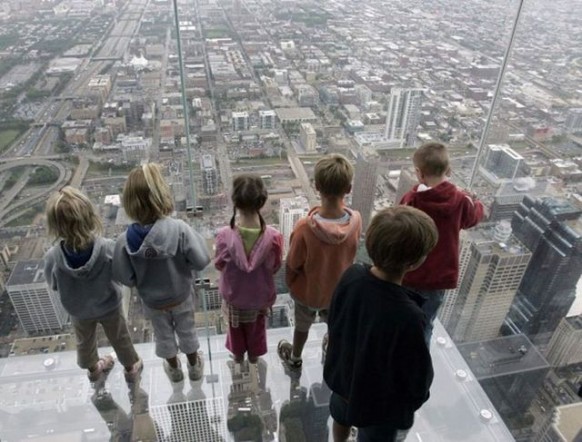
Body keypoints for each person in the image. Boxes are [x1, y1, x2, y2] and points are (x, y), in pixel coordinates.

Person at [324, 206, 438, 442]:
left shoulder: (352, 275)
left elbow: (334, 319)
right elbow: (417, 375)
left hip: (343, 382)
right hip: (379, 405)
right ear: (414, 262)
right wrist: (412, 403)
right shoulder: (409, 316)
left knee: (340, 418)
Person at [113, 163, 210, 383]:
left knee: (163, 336)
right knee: (187, 331)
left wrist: (140, 279)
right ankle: (194, 366)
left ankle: (174, 370)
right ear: (161, 195)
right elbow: (202, 259)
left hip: (152, 301)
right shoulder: (179, 229)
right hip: (181, 295)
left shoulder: (124, 241)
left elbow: (124, 276)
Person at [44, 187, 142, 383]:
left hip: (78, 310)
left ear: (55, 226)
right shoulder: (107, 248)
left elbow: (53, 284)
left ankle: (93, 370)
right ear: (90, 217)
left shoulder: (53, 257)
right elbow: (123, 275)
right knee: (119, 337)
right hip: (109, 305)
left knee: (84, 342)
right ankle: (131, 368)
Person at [278, 154, 362, 369]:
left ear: (316, 187)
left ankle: (295, 357)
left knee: (302, 326)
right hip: (338, 292)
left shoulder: (305, 227)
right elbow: (353, 252)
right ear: (349, 189)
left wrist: (292, 283)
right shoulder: (356, 221)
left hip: (307, 292)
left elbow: (293, 262)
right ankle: (331, 349)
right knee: (334, 325)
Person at [400, 142, 484, 343]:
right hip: (439, 278)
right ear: (449, 170)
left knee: (402, 320)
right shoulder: (461, 201)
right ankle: (419, 365)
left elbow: (398, 222)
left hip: (410, 273)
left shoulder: (412, 199)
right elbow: (474, 217)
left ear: (419, 174)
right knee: (426, 323)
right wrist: (476, 201)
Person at [215, 174, 283, 364]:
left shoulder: (224, 236)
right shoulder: (274, 238)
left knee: (235, 331)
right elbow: (276, 266)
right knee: (256, 329)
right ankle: (254, 359)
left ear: (235, 201)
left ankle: (238, 358)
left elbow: (219, 264)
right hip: (259, 298)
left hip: (234, 297)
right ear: (262, 201)